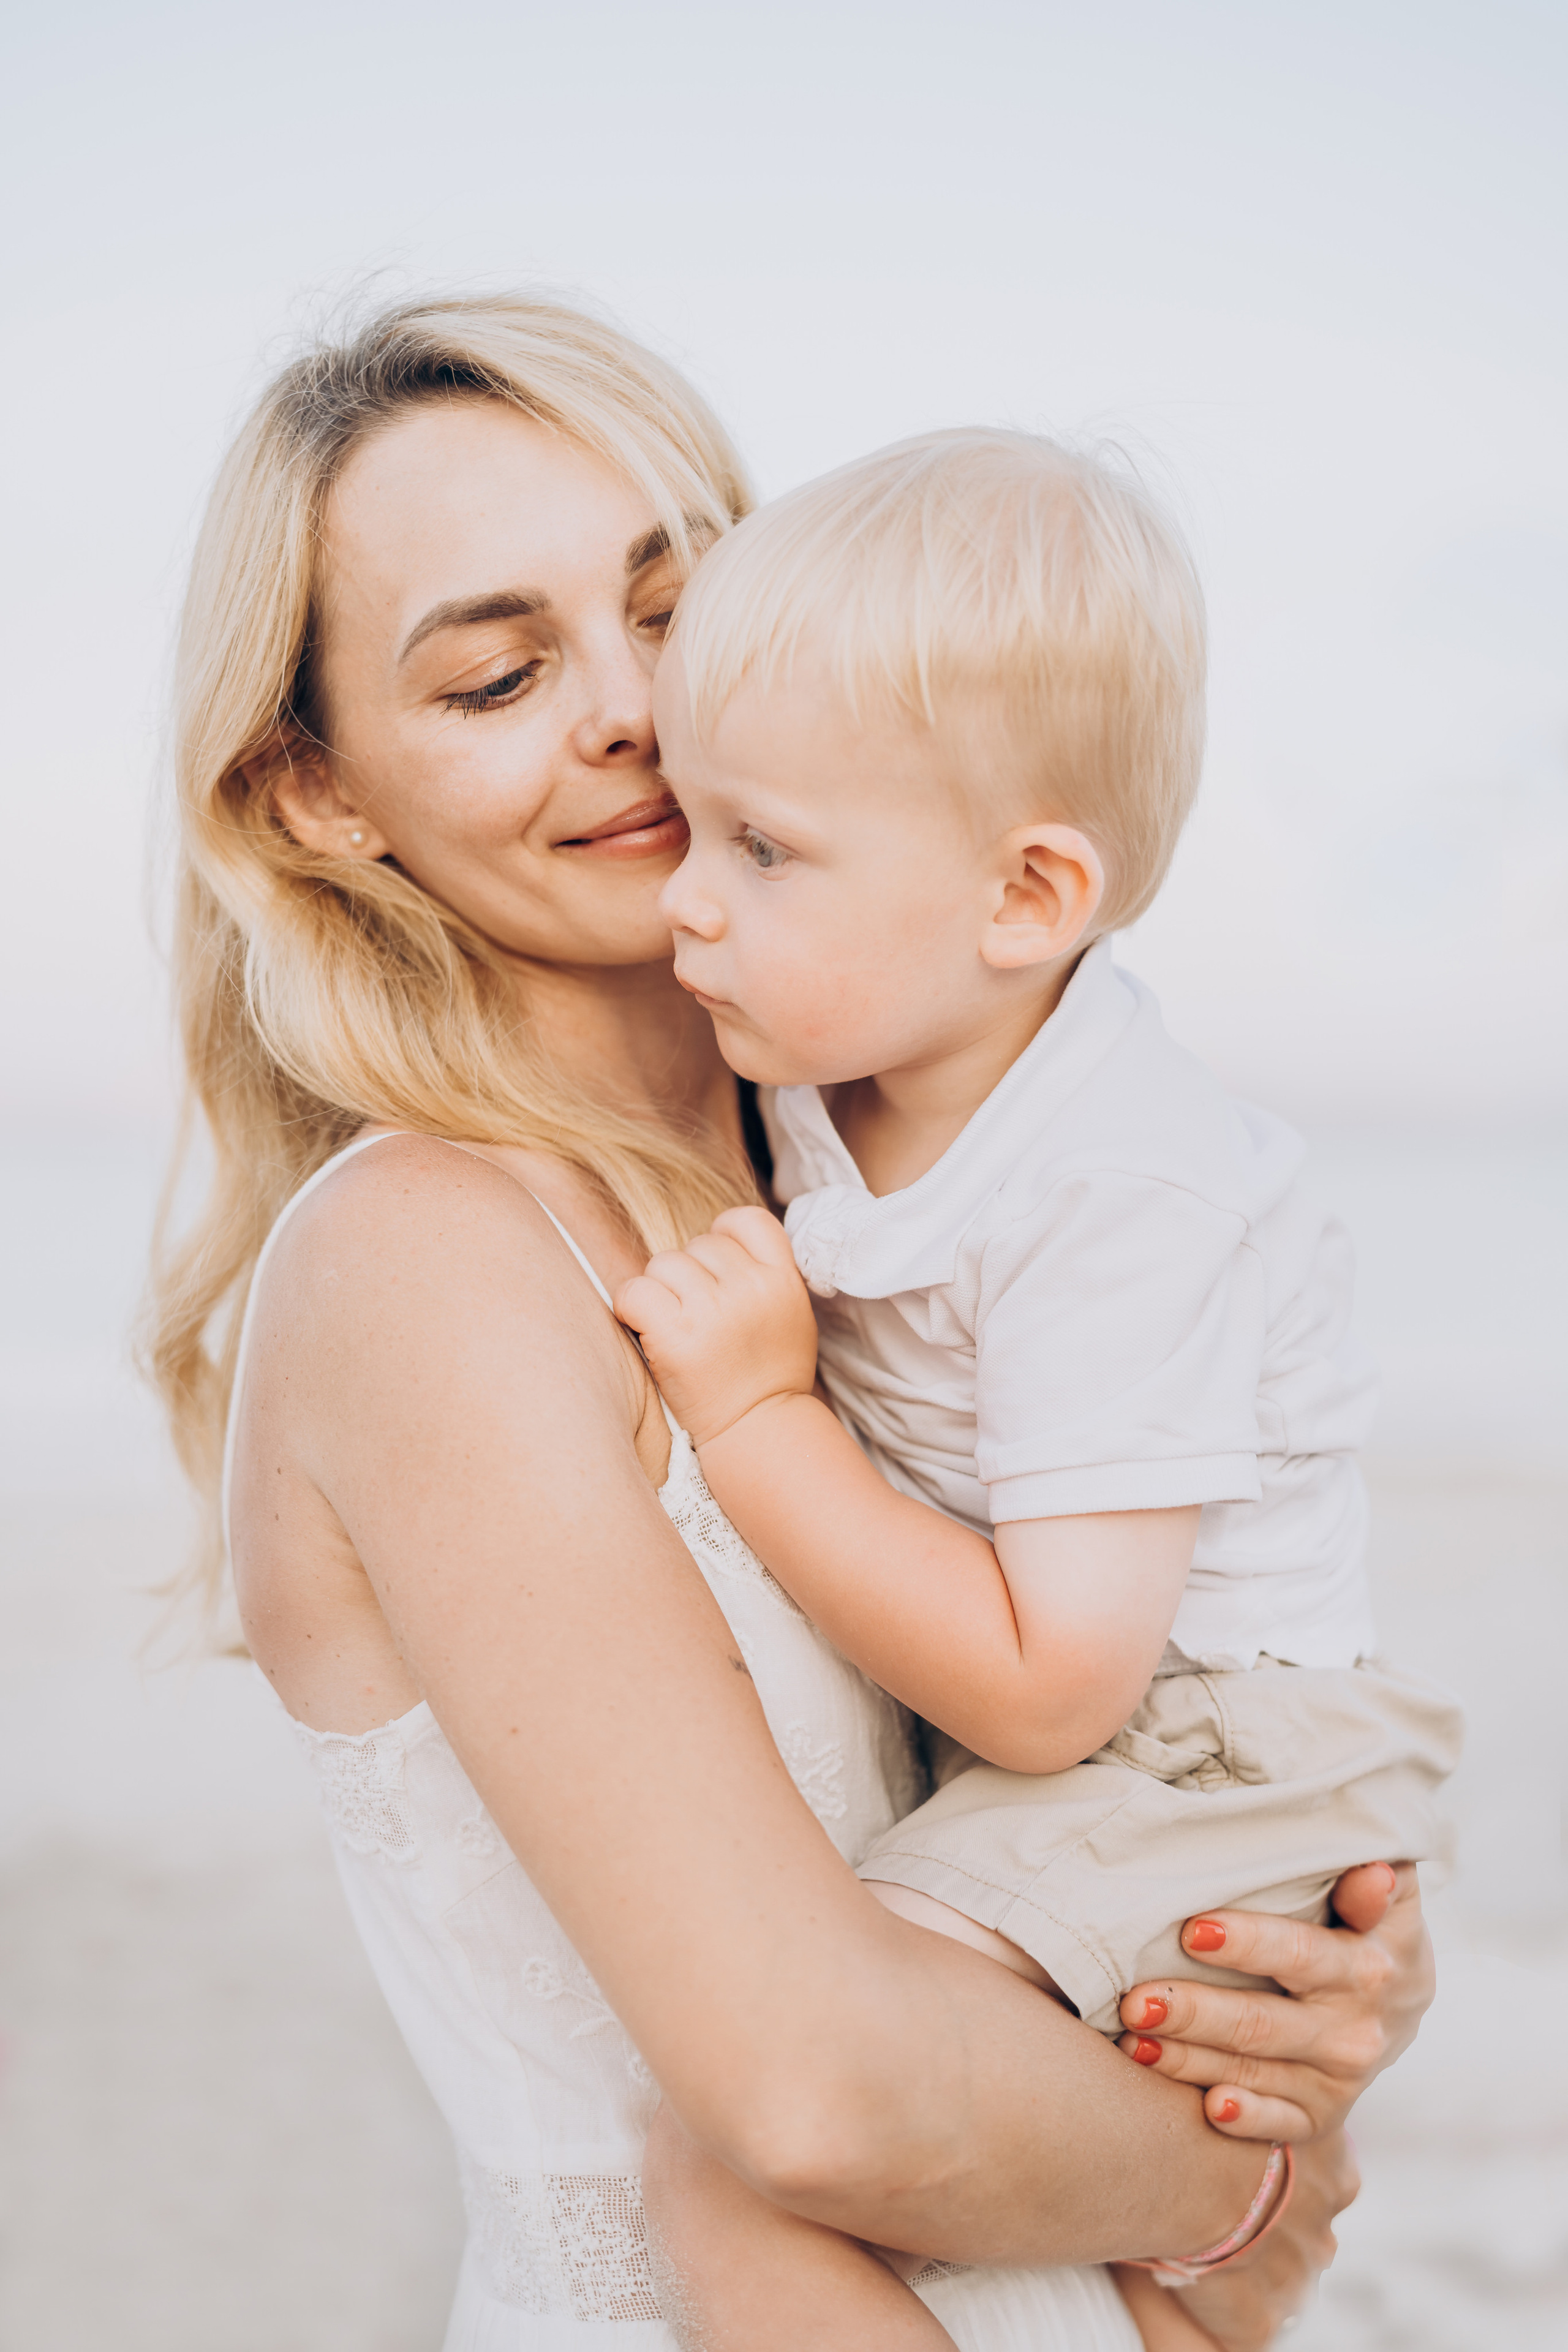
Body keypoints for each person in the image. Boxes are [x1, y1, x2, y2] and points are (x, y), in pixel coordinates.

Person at [146, 294, 1434, 2352]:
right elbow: (813, 2094)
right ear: (318, 796)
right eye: (495, 673)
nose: (633, 715)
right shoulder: (427, 1259)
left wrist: (1295, 1970)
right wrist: (1262, 2174)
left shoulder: (891, 1183)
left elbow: (1115, 1725)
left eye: (677, 609)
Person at [615, 426, 1464, 2347]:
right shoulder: (844, 1046)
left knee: (746, 2146)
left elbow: (1052, 1679)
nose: (687, 900)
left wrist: (759, 1425)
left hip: (1198, 1748)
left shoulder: (1114, 1189)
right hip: (1106, 1744)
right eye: (689, 820)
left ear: (1026, 896)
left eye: (762, 846)